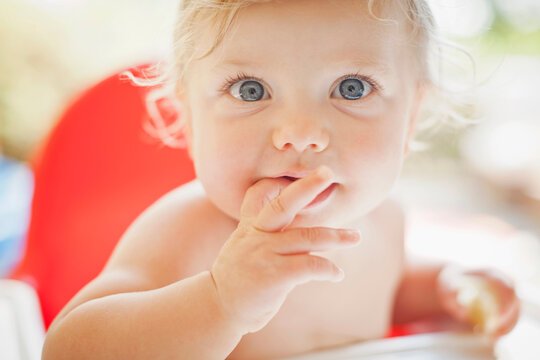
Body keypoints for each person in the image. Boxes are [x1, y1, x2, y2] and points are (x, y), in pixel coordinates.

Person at [42, 0, 520, 359]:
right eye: (251, 90)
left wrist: (446, 285)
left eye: (350, 88)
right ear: (188, 119)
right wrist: (219, 300)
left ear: (411, 117)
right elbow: (68, 348)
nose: (300, 135)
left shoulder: (383, 219)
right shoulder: (188, 231)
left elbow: (387, 290)